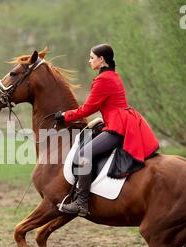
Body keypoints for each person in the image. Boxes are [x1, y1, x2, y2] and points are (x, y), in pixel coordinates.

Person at [55, 43, 159, 216]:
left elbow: (88, 108)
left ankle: (81, 203)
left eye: (91, 57)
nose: (89, 61)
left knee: (83, 154)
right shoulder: (112, 76)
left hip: (118, 126)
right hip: (121, 121)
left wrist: (65, 116)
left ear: (101, 59)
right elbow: (109, 106)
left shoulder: (103, 80)